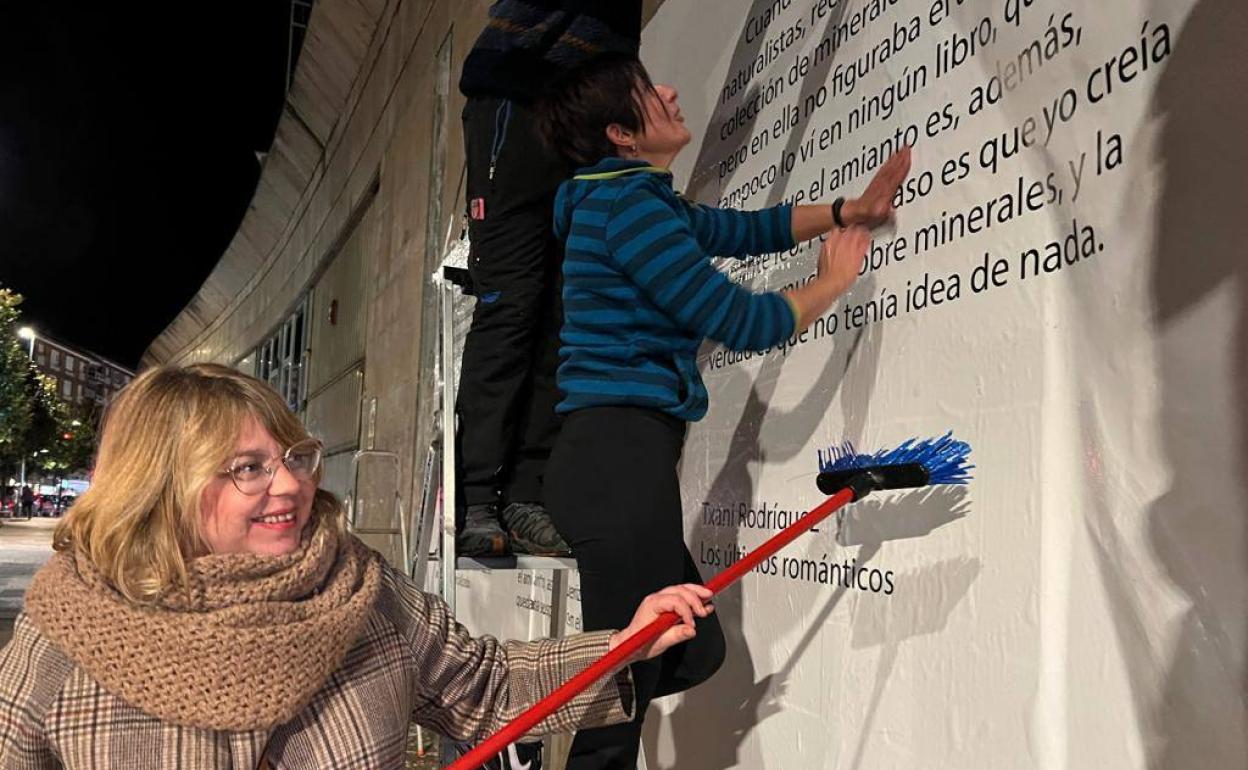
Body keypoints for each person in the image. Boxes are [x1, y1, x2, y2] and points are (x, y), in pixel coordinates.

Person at [0, 364, 715, 769]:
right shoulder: (71, 635)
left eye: (293, 457)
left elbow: (485, 685)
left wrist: (626, 643)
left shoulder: (359, 589)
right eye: (248, 468)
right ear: (161, 486)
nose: (289, 485)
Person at [534, 55, 911, 769]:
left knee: (691, 647)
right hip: (615, 458)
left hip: (620, 459)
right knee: (619, 699)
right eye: (650, 93)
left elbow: (741, 231)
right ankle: (566, 692)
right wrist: (831, 283)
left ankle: (570, 682)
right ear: (621, 131)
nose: (671, 91)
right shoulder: (626, 208)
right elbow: (739, 320)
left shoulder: (634, 200)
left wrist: (846, 212)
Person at [454, 0, 645, 557]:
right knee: (511, 304)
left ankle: (523, 496)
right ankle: (477, 499)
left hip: (584, 121)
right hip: (517, 101)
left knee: (565, 312)